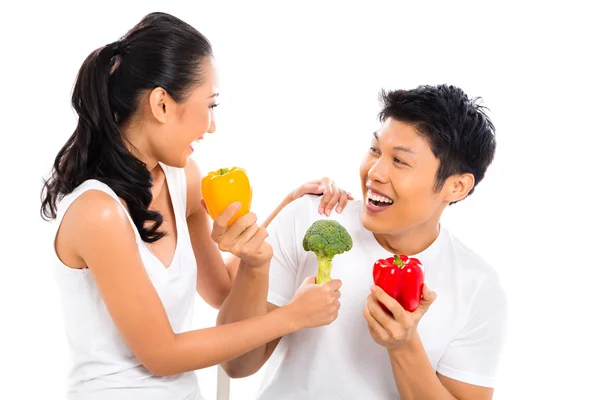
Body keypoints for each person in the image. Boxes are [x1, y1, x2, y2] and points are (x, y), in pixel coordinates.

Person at [40, 12, 351, 400]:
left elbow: (222, 290)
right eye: (210, 105)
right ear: (162, 104)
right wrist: (292, 317)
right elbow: (162, 355)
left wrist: (288, 206)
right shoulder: (98, 212)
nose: (212, 126)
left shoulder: (182, 181)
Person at [218, 84, 508, 399]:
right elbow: (236, 366)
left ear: (456, 187)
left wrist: (403, 346)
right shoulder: (311, 218)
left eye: (400, 161)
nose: (375, 173)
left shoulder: (478, 287)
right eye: (374, 150)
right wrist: (255, 268)